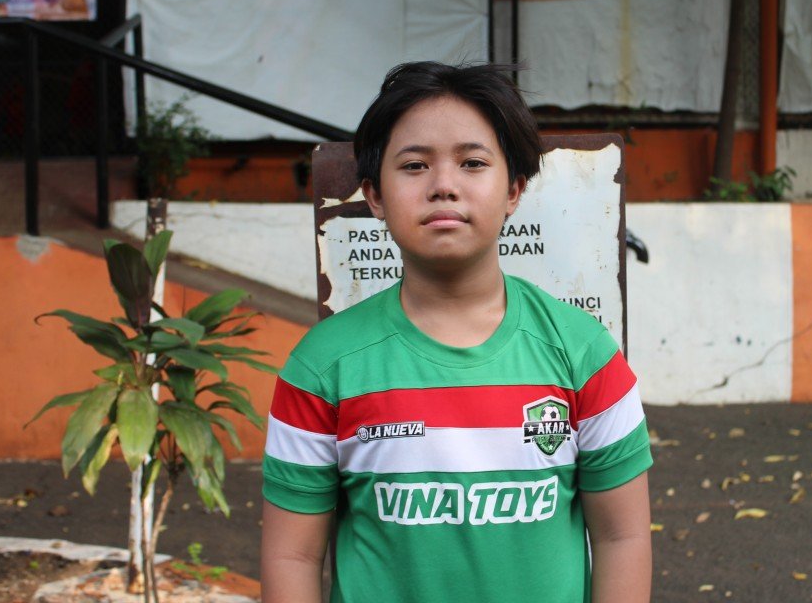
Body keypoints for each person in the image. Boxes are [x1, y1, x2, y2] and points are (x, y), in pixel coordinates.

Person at [260, 62, 653, 603]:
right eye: (414, 165)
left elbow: (621, 537)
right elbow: (292, 557)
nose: (444, 186)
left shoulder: (586, 355)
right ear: (375, 196)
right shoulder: (322, 368)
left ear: (513, 190)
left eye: (472, 163)